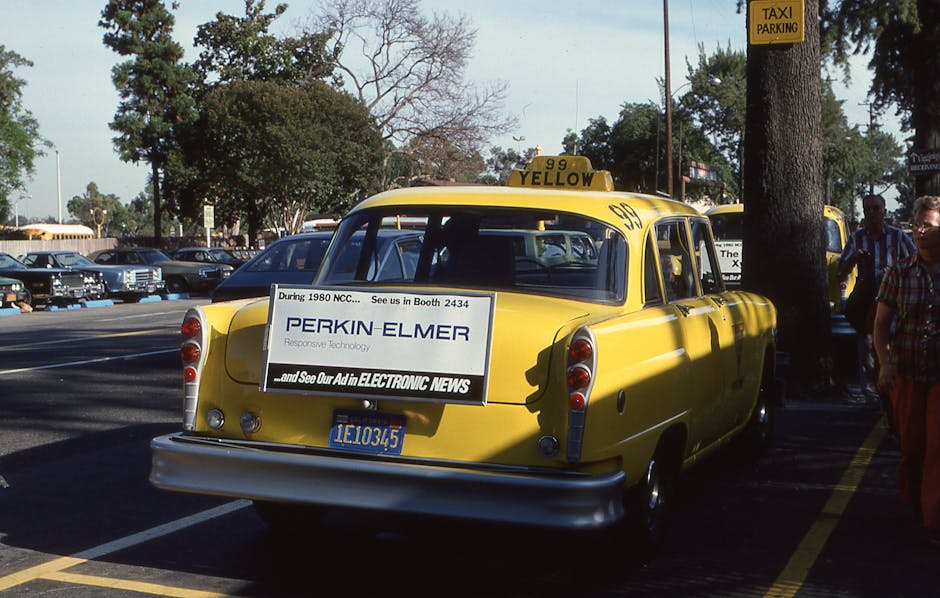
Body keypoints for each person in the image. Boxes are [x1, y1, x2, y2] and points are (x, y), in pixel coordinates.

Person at [873, 194, 940, 547]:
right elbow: (881, 324)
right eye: (917, 225)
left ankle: (934, 521)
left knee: (938, 449)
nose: (920, 231)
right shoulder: (898, 272)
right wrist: (885, 363)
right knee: (912, 448)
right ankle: (916, 506)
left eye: (928, 225)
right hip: (908, 373)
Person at [839, 194, 916, 397]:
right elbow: (841, 271)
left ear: (884, 211)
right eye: (867, 209)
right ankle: (870, 394)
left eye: (876, 208)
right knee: (866, 346)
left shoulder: (897, 236)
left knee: (894, 345)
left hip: (895, 302)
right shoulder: (857, 238)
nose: (872, 213)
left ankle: (893, 392)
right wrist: (854, 258)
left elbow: (915, 262)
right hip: (867, 303)